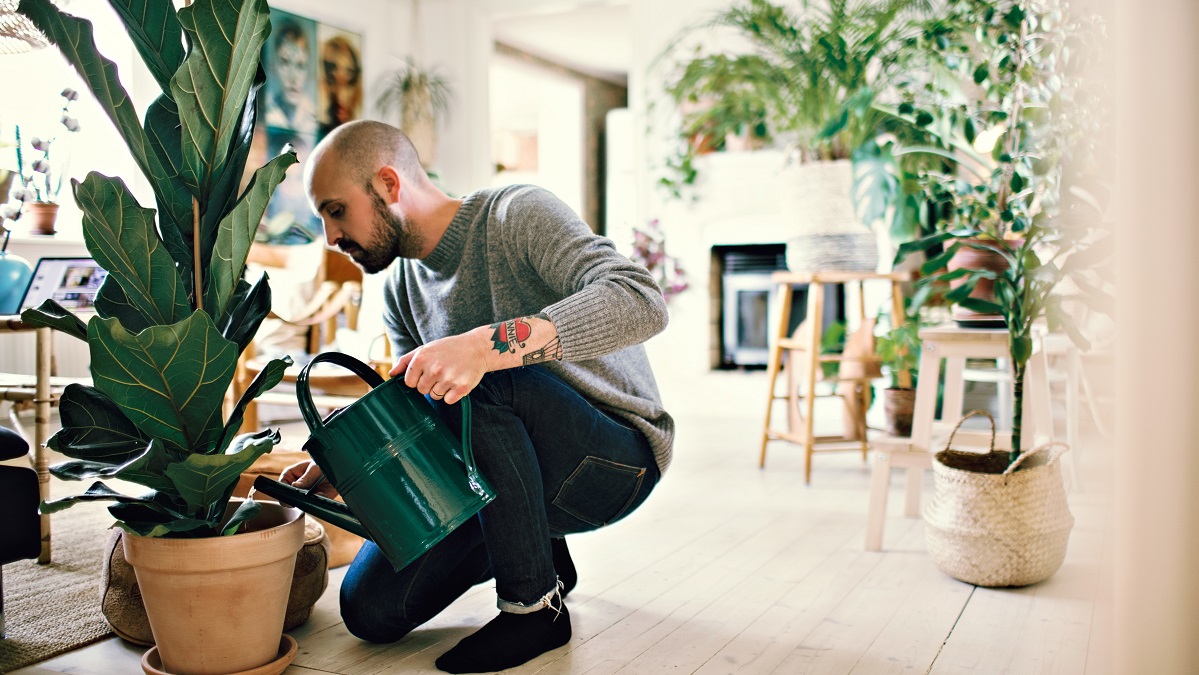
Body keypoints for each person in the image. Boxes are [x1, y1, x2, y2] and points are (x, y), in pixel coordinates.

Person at [285, 120, 674, 673]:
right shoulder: (399, 289)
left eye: (336, 210)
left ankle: (533, 608)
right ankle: (542, 556)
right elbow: (418, 413)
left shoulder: (518, 214)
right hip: (507, 469)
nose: (330, 237)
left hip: (614, 460)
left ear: (389, 185)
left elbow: (641, 301)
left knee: (474, 384)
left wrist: (485, 347)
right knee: (370, 609)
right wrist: (349, 466)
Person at [264, 18, 317, 134]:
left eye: (300, 65)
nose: (293, 78)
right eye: (285, 63)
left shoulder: (314, 120)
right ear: (273, 66)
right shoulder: (265, 113)